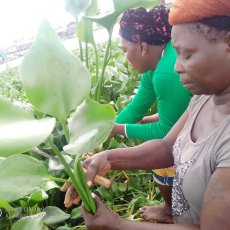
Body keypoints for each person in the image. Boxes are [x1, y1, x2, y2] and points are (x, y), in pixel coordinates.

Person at [63, 0, 230, 228]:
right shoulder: (206, 96)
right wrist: (109, 158)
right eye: (176, 53)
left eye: (187, 55)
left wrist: (118, 225)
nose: (176, 67)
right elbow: (167, 146)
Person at [108, 6, 191, 223]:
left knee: (161, 155)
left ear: (143, 47)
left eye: (125, 50)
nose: (125, 57)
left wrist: (119, 130)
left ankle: (171, 210)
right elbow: (135, 110)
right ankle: (170, 206)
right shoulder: (156, 62)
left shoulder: (166, 71)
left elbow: (167, 132)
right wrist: (104, 131)